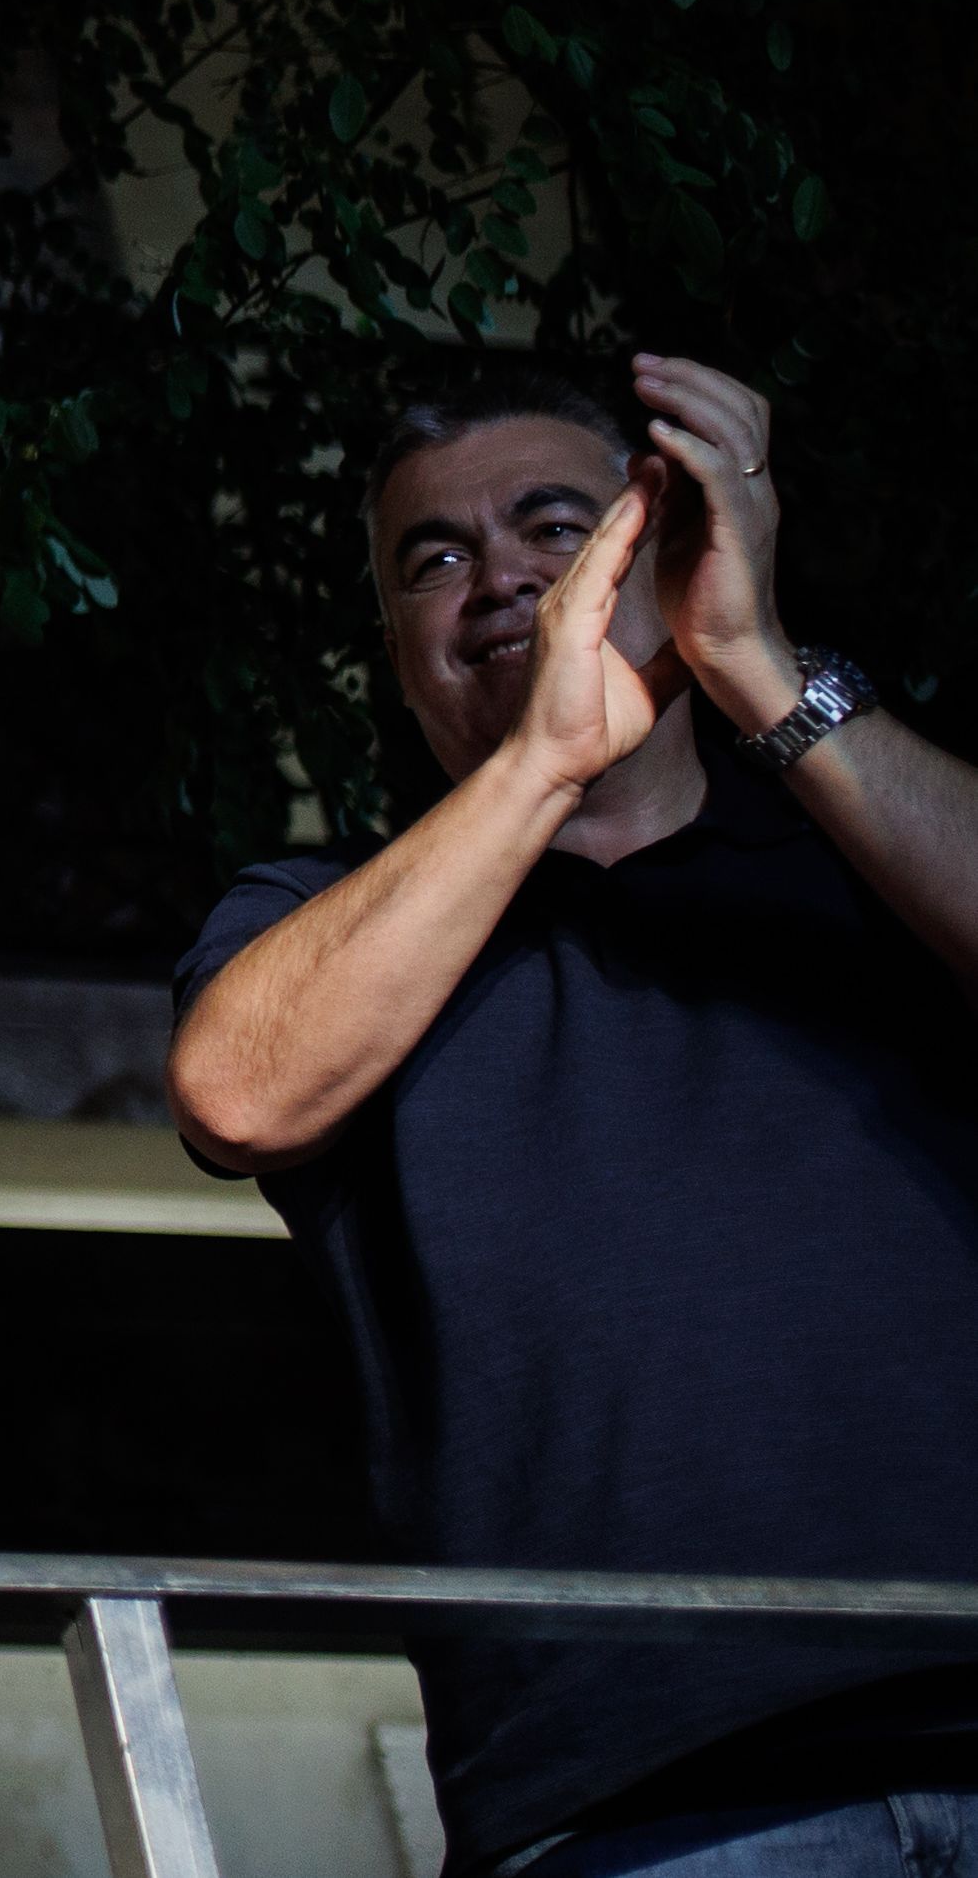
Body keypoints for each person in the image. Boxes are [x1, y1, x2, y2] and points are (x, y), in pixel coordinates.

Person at [169, 357, 978, 1877]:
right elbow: (236, 1089)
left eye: (556, 526)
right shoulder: (322, 915)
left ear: (665, 555)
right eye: (436, 558)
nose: (501, 578)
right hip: (649, 1806)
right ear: (400, 654)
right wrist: (546, 757)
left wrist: (751, 659)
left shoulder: (876, 851)